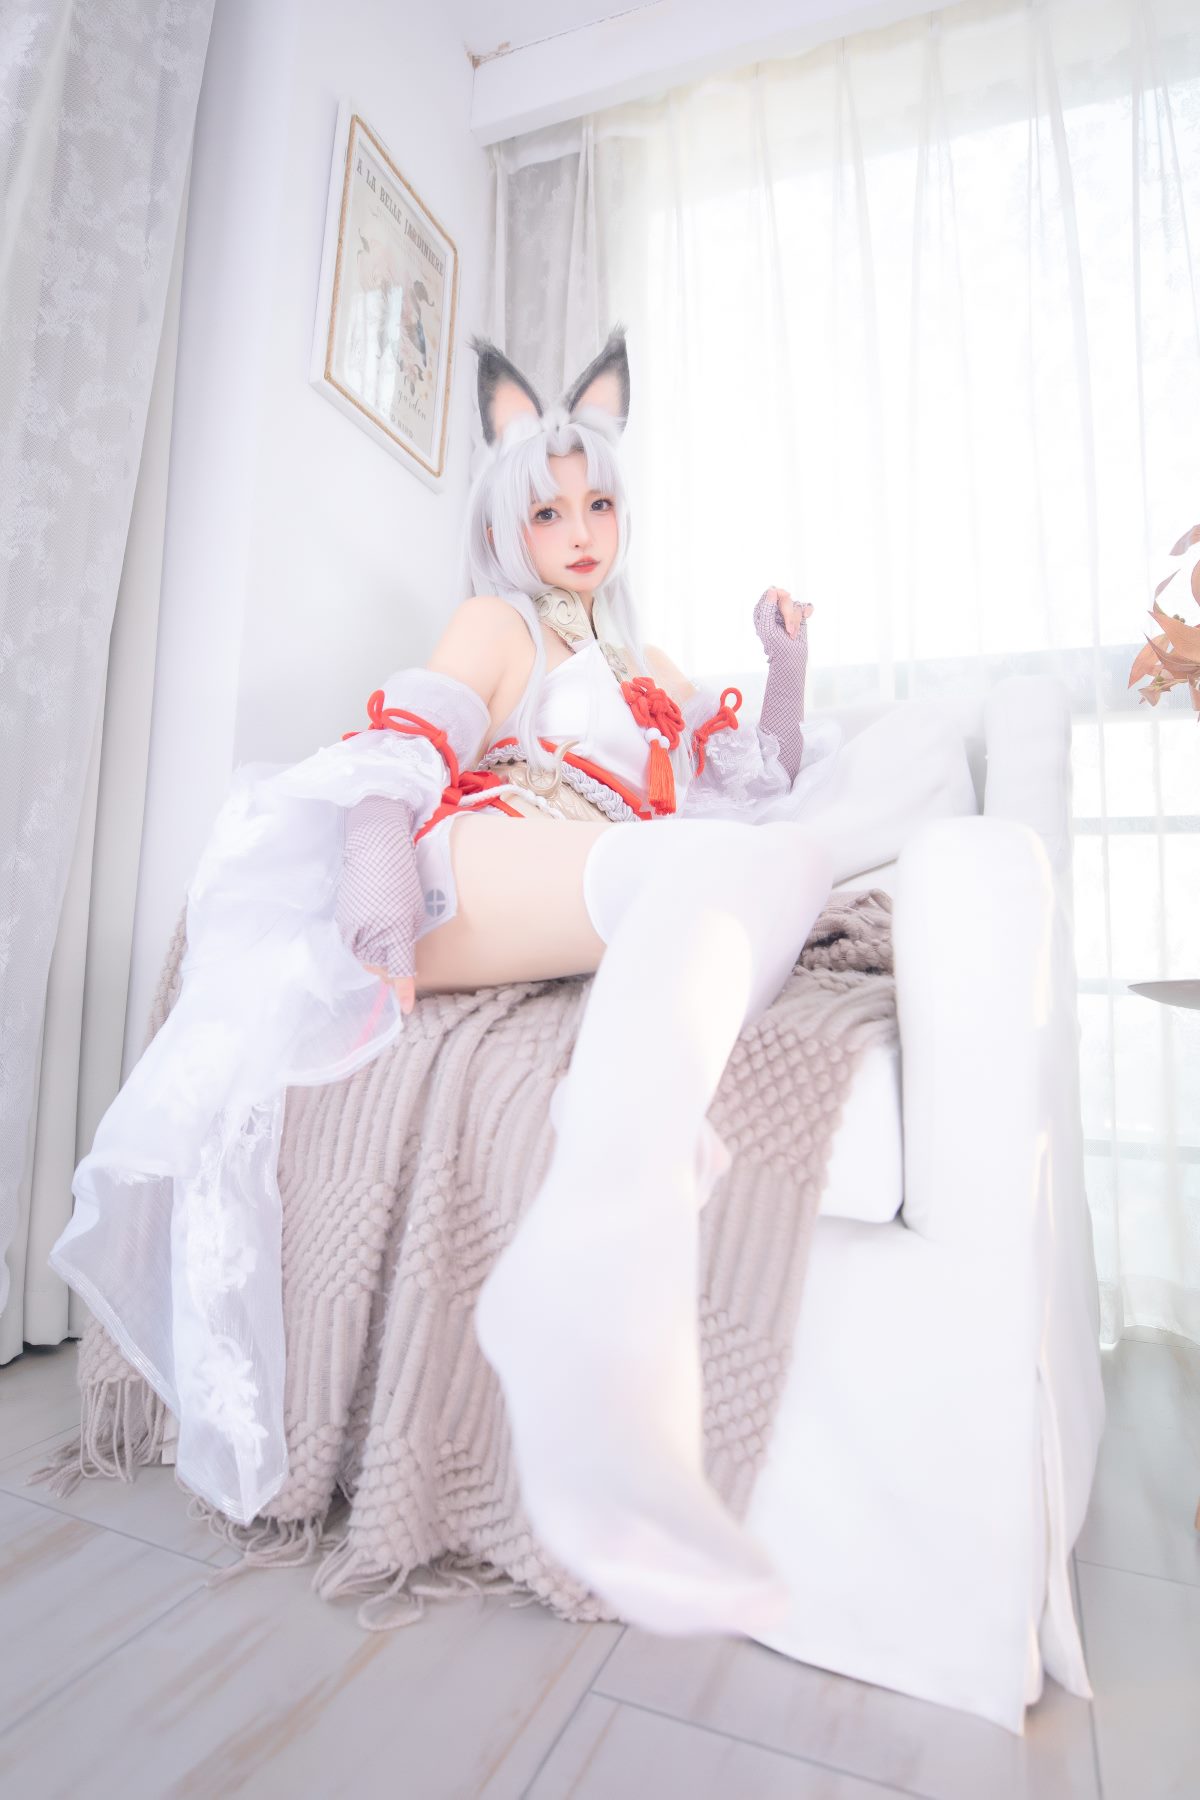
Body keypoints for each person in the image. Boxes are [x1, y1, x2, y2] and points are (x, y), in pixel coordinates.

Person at [48, 327, 973, 1642]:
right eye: (549, 511)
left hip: (605, 871)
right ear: (506, 525)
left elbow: (758, 783)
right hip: (474, 857)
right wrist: (376, 863)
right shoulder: (497, 625)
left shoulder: (652, 672)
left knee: (776, 858)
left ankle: (597, 1257)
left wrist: (782, 671)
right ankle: (601, 1264)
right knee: (715, 864)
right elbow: (403, 742)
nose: (580, 532)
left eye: (599, 506)